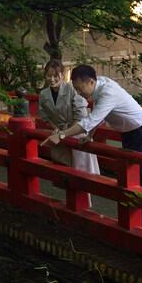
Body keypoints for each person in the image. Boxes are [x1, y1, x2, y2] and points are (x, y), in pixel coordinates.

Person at [40, 64, 142, 229]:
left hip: (140, 131)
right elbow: (98, 117)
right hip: (129, 131)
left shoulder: (107, 92)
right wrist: (90, 136)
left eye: (80, 89)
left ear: (91, 82)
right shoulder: (99, 87)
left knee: (140, 178)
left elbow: (89, 120)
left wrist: (62, 135)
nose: (79, 93)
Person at [38, 60, 100, 205]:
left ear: (62, 75)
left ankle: (84, 205)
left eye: (56, 76)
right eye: (49, 76)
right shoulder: (44, 94)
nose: (52, 79)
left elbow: (81, 116)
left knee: (81, 173)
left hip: (76, 133)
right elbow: (45, 116)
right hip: (59, 133)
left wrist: (65, 132)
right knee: (64, 171)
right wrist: (55, 128)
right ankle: (71, 203)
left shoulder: (72, 89)